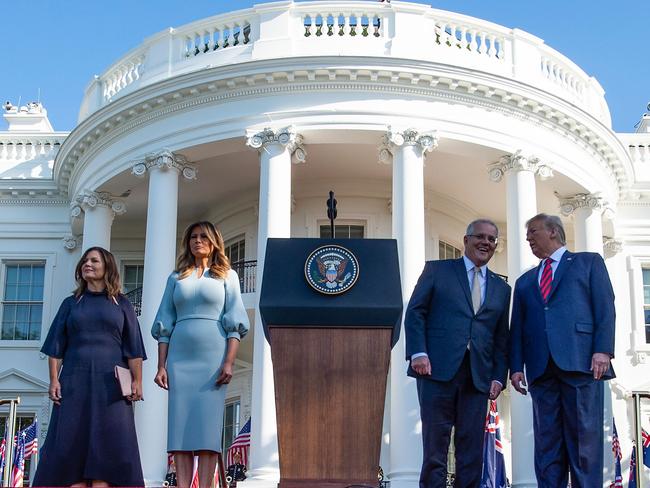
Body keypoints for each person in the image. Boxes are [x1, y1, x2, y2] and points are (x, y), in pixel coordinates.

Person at [509, 213, 615, 487]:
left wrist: (602, 349)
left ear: (553, 231)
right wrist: (516, 367)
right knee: (547, 447)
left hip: (581, 365)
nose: (528, 238)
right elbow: (517, 327)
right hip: (541, 371)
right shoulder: (524, 282)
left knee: (583, 445)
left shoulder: (588, 262)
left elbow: (605, 307)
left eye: (533, 231)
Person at [405, 219, 511, 488]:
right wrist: (418, 352)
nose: (485, 242)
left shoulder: (502, 288)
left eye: (492, 239)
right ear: (466, 240)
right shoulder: (437, 271)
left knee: (471, 449)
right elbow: (416, 312)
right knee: (435, 446)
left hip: (478, 377)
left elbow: (501, 337)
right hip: (435, 370)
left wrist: (499, 376)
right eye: (480, 237)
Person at [33, 247, 146, 487]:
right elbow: (56, 346)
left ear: (107, 266)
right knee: (70, 447)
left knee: (110, 449)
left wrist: (137, 381)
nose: (88, 264)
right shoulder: (70, 304)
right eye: (85, 260)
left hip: (112, 388)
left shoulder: (122, 304)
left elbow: (134, 348)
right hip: (74, 383)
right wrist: (54, 380)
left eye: (94, 260)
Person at [152, 221, 249, 488]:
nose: (197, 241)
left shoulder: (227, 276)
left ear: (214, 240)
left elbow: (235, 321)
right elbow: (164, 323)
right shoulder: (176, 278)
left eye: (203, 236)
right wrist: (161, 366)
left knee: (207, 431)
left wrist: (229, 361)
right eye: (193, 237)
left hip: (213, 356)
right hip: (179, 358)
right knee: (180, 430)